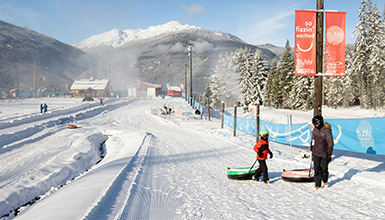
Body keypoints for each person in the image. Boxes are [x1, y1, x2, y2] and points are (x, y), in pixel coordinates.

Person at [311, 115, 334, 189]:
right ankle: (317, 184)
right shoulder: (315, 130)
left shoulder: (326, 131)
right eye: (314, 124)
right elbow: (313, 139)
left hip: (324, 153)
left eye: (315, 124)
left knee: (324, 169)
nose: (315, 126)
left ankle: (325, 181)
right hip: (316, 152)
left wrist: (329, 153)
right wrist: (312, 146)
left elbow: (330, 143)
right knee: (316, 169)